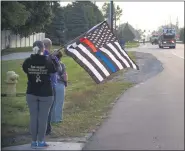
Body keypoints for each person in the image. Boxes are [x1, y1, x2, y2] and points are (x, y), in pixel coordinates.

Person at [22, 41, 57, 148]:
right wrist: (54, 60)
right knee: (43, 118)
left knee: (33, 117)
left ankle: (33, 141)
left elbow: (25, 70)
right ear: (43, 49)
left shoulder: (27, 61)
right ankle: (41, 141)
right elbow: (55, 69)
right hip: (46, 93)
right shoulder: (47, 61)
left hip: (31, 92)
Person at [42, 38, 59, 135]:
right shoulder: (52, 57)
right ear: (50, 46)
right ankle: (46, 128)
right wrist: (54, 57)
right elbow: (58, 69)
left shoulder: (36, 56)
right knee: (49, 108)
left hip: (37, 85)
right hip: (50, 85)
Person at [51, 51, 68, 122]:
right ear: (60, 57)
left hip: (51, 84)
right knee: (59, 102)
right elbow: (65, 76)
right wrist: (66, 82)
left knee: (52, 102)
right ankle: (58, 119)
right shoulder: (62, 65)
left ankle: (51, 119)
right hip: (60, 84)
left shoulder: (49, 64)